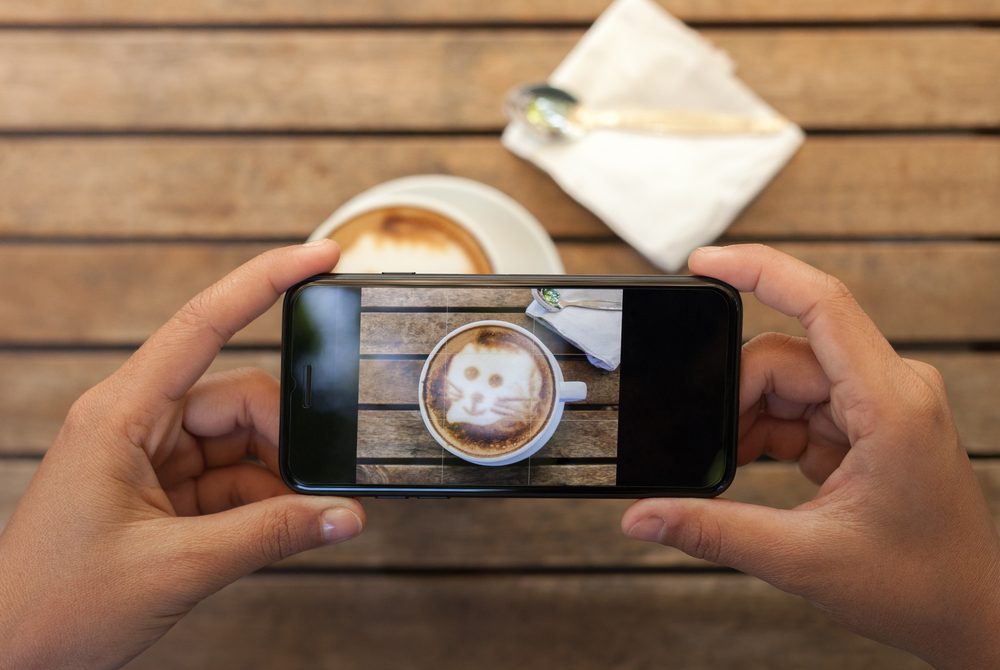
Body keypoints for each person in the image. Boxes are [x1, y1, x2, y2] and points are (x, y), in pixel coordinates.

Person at [0, 241, 996, 668]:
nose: (479, 389)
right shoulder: (464, 380)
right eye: (471, 386)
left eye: (491, 385)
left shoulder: (556, 363)